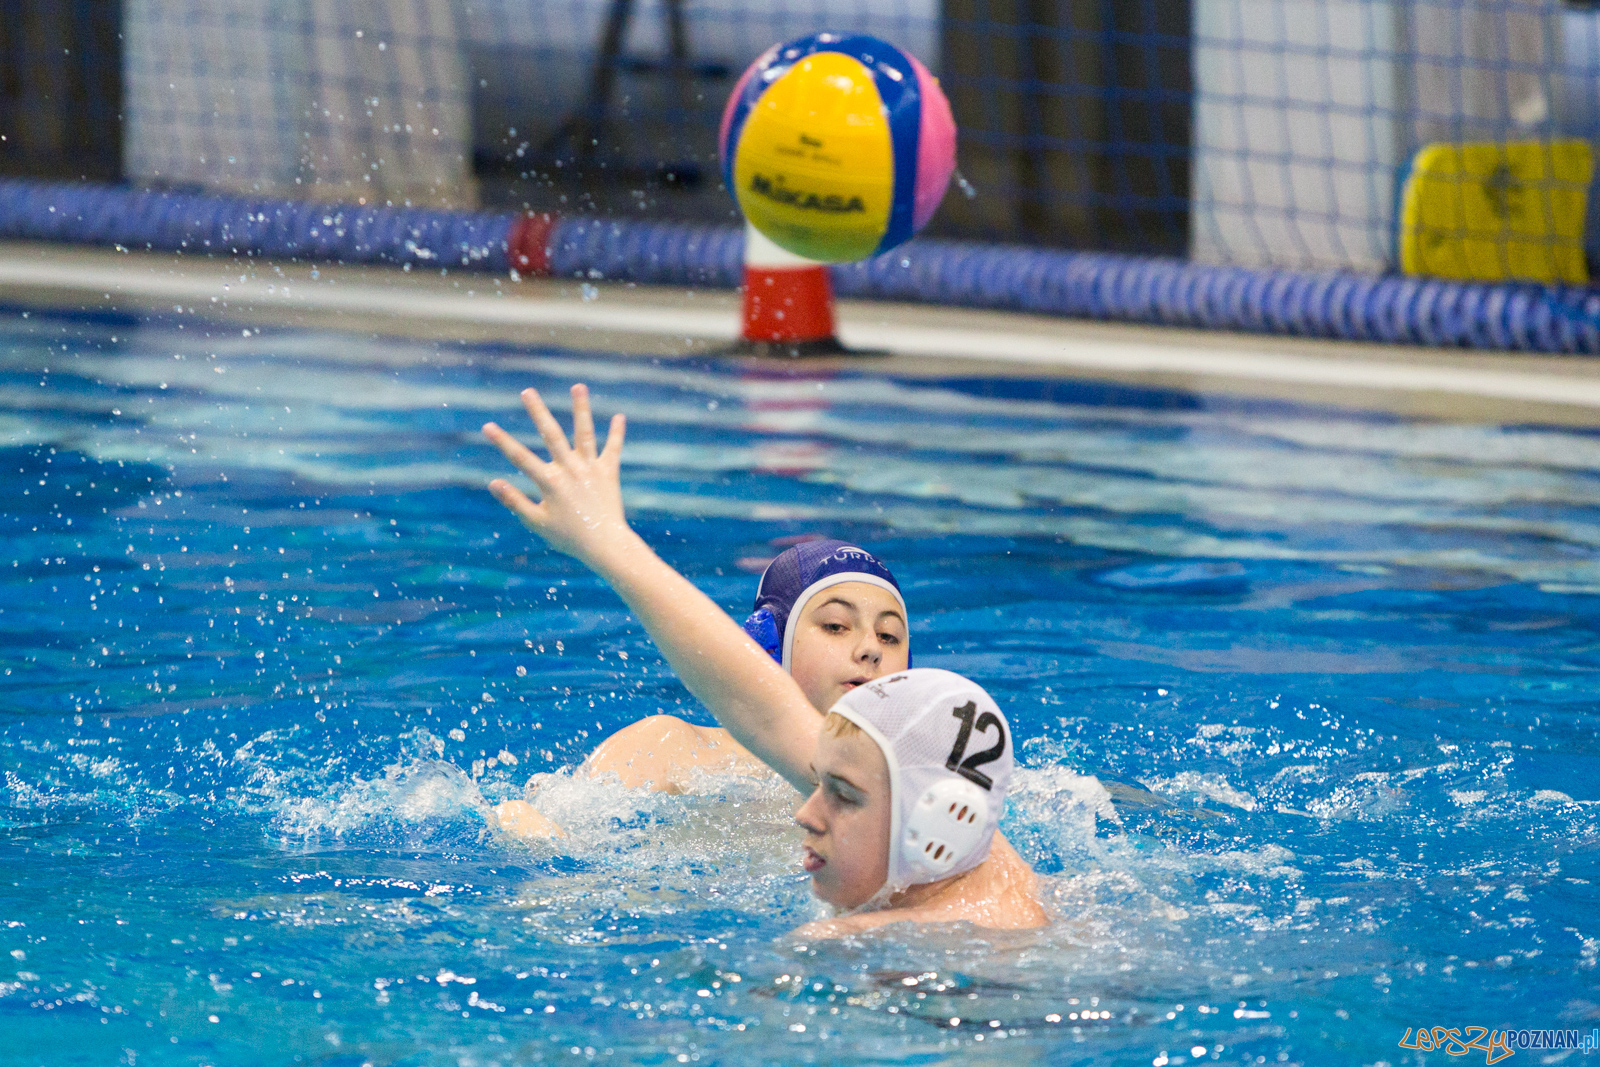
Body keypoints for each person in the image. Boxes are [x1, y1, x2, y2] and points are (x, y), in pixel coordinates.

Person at [482, 384, 1045, 933]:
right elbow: (551, 838)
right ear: (770, 646)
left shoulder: (905, 784)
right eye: (834, 625)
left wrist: (608, 541)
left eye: (891, 635)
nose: (871, 647)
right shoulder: (674, 749)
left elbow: (764, 709)